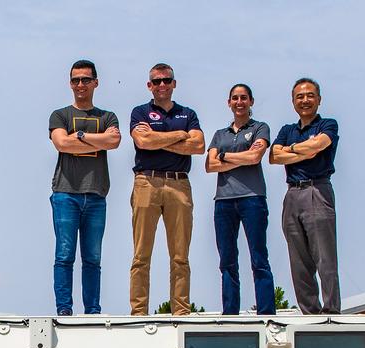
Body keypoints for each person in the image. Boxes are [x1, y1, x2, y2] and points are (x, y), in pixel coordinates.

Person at [129, 63, 204, 316]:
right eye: (157, 81)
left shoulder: (188, 113)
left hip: (179, 183)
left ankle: (181, 311)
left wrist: (158, 140)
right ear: (149, 86)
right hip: (146, 183)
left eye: (167, 80)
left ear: (174, 83)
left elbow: (198, 145)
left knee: (180, 256)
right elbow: (142, 141)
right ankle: (139, 313)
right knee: (141, 255)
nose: (162, 85)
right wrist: (179, 135)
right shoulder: (140, 112)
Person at [48, 60, 121, 316]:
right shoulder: (60, 115)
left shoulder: (107, 116)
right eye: (76, 80)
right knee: (65, 255)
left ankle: (92, 312)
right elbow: (61, 144)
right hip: (66, 193)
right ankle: (64, 311)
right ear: (70, 83)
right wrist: (95, 141)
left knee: (92, 259)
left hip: (96, 195)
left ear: (95, 83)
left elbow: (114, 141)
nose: (81, 84)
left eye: (86, 80)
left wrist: (78, 136)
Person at [270, 77, 340, 314]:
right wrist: (302, 149)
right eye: (300, 96)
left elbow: (318, 146)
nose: (305, 100)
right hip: (292, 194)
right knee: (298, 261)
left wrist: (293, 150)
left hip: (317, 191)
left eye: (310, 95)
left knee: (325, 257)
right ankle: (310, 312)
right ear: (293, 101)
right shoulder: (287, 130)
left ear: (319, 99)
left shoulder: (328, 124)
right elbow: (274, 156)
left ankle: (331, 312)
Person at [205, 83, 274, 315]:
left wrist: (224, 157)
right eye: (235, 98)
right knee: (227, 261)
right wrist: (236, 158)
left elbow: (255, 156)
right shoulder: (219, 134)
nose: (239, 102)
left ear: (251, 101)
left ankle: (266, 313)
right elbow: (210, 165)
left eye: (243, 98)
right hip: (223, 201)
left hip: (252, 198)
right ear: (229, 102)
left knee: (259, 258)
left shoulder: (260, 128)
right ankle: (230, 312)